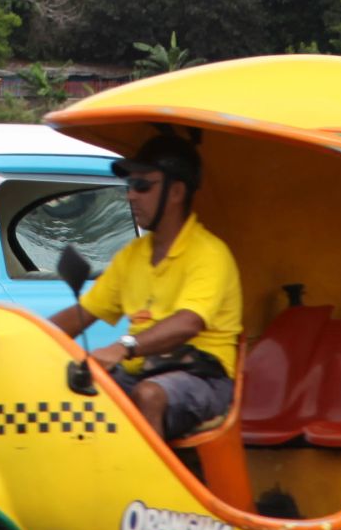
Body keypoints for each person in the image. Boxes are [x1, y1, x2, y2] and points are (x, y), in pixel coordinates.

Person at [50, 131, 242, 440]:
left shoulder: (209, 254)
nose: (131, 196)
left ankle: (145, 475)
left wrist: (123, 347)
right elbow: (82, 314)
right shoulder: (132, 256)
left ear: (176, 192)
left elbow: (188, 323)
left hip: (202, 378)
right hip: (143, 371)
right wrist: (27, 338)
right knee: (69, 391)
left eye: (142, 185)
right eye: (130, 185)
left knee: (150, 395)